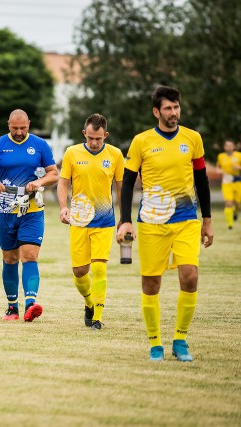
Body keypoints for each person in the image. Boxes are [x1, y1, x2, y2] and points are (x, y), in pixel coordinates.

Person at [117, 86, 214, 362]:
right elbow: (126, 184)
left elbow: (202, 181)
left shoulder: (193, 139)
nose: (174, 113)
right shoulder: (141, 141)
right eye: (168, 108)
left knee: (190, 276)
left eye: (177, 107)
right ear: (156, 112)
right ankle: (155, 343)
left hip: (186, 220)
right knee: (151, 283)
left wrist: (207, 220)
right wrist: (125, 220)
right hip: (151, 222)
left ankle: (180, 340)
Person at [0, 109, 58, 322]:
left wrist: (38, 182)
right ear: (8, 125)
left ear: (29, 124)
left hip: (31, 210)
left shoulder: (39, 145)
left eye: (23, 128)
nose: (19, 132)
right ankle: (12, 307)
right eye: (15, 128)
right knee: (9, 258)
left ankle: (31, 304)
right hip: (5, 210)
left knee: (29, 255)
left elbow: (54, 173)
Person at [57, 114, 124, 330]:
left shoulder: (115, 155)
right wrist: (63, 207)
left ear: (105, 135)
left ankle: (97, 317)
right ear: (84, 133)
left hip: (105, 221)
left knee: (100, 268)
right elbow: (63, 183)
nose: (94, 143)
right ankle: (88, 302)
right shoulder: (72, 153)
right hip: (79, 220)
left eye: (99, 139)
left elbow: (122, 188)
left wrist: (125, 218)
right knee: (79, 272)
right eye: (90, 138)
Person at [215, 140, 241, 229]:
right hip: (226, 182)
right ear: (224, 147)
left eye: (230, 145)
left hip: (237, 181)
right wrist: (219, 171)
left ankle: (236, 211)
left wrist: (238, 167)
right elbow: (218, 168)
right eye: (227, 145)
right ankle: (230, 225)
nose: (229, 147)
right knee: (228, 203)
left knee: (237, 203)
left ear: (233, 147)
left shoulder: (239, 155)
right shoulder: (221, 156)